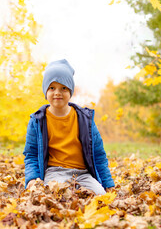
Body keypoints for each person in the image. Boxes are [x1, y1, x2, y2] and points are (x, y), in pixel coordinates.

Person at [23, 59, 115, 195]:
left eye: (63, 88)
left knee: (100, 196)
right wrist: (32, 179)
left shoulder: (84, 119)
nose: (57, 93)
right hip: (54, 172)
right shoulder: (38, 120)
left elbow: (99, 154)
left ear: (70, 91)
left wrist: (108, 184)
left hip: (83, 173)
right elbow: (31, 154)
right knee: (58, 196)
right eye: (52, 88)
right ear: (45, 91)